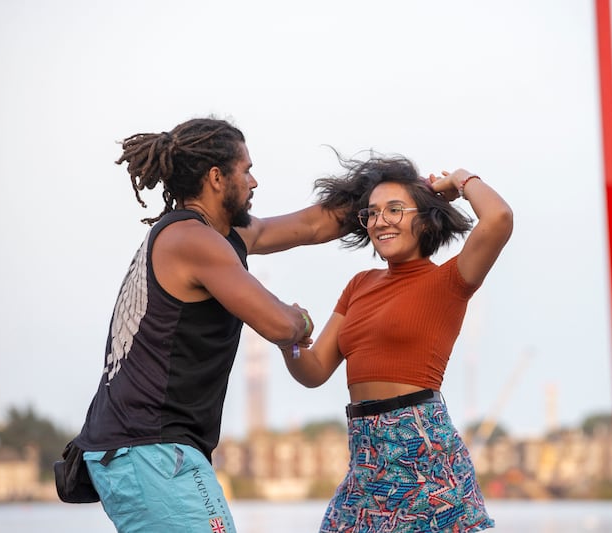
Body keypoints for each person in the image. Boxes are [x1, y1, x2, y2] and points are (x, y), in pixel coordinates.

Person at [68, 117, 346, 532]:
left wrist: (393, 192)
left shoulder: (217, 235)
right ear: (216, 177)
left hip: (138, 449)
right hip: (150, 447)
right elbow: (277, 325)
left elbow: (311, 225)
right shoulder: (192, 240)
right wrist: (300, 318)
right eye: (246, 170)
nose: (254, 182)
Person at [281, 152, 513, 532]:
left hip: (423, 455)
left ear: (425, 217)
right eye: (372, 213)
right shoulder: (359, 285)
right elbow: (314, 370)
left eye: (394, 210)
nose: (380, 221)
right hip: (365, 456)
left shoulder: (448, 282)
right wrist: (287, 340)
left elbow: (499, 218)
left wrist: (459, 179)